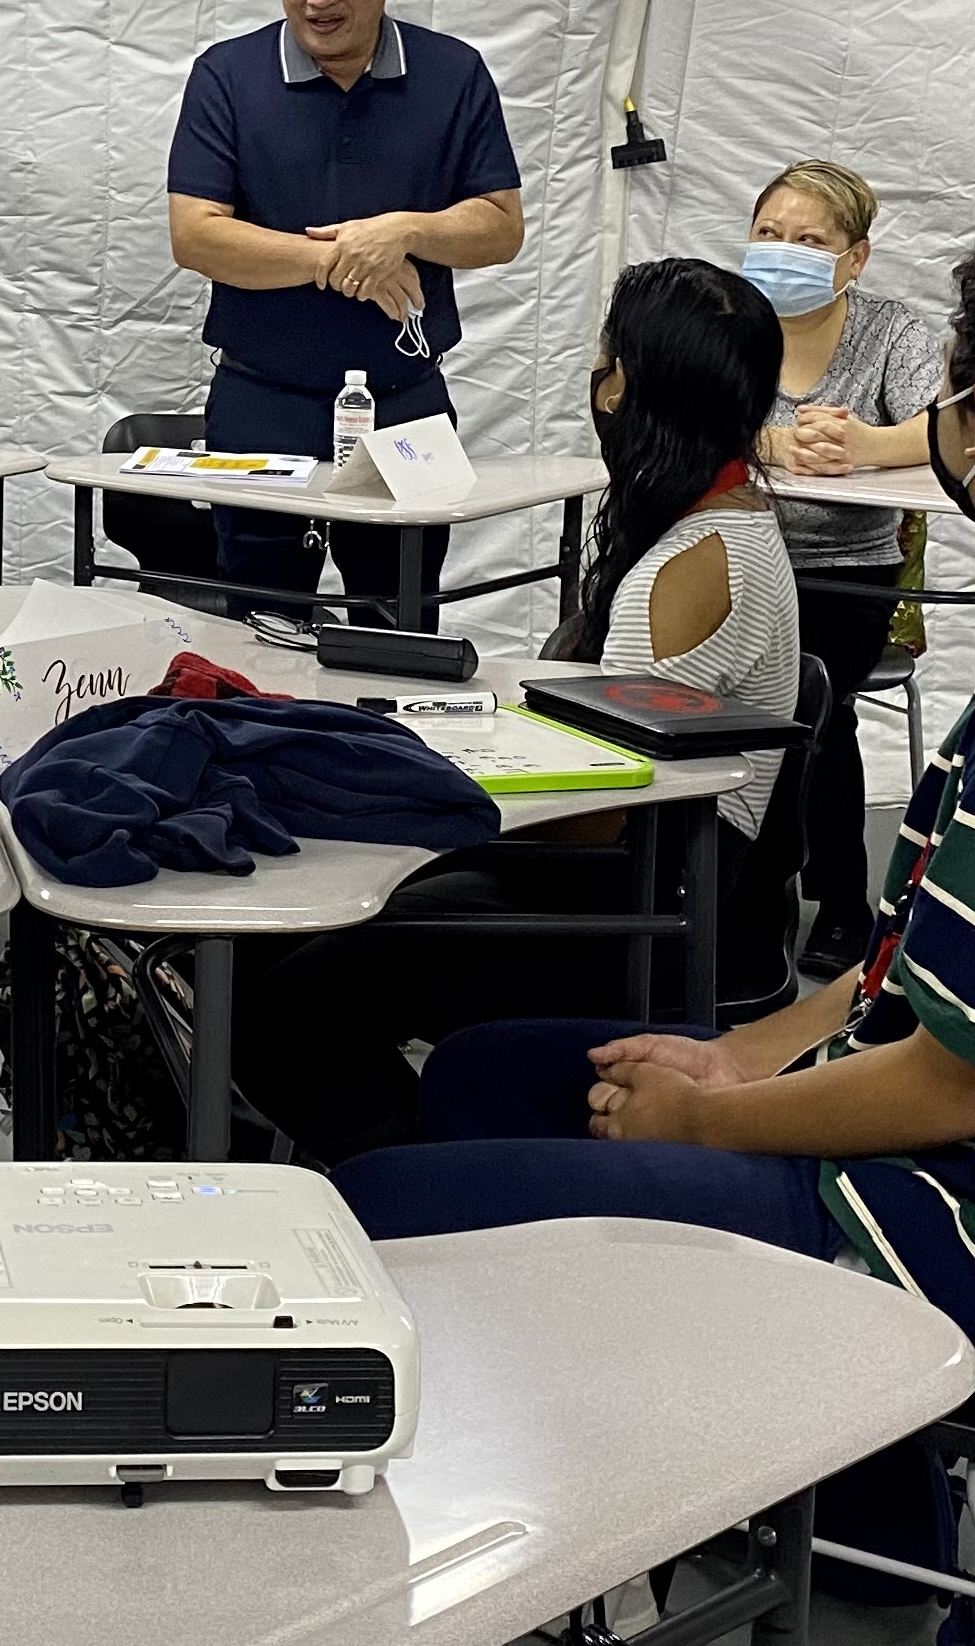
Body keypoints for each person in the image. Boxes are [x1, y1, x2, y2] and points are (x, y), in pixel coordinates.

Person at [222, 216, 975, 1646]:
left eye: (945, 383)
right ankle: (551, 1509)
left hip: (952, 1231)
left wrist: (710, 1119)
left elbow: (955, 1074)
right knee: (498, 1077)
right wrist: (743, 1051)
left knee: (377, 1209)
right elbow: (906, 983)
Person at [228, 260, 799, 1162]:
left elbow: (609, 812)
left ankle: (414, 1181)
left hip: (642, 894)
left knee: (281, 1006)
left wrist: (435, 800)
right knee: (294, 940)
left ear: (640, 393)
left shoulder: (692, 565)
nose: (596, 386)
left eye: (608, 365)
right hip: (656, 875)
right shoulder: (721, 526)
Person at [165, 0, 521, 620]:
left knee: (402, 626)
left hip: (407, 406)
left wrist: (407, 231)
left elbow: (500, 226)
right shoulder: (226, 77)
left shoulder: (454, 74)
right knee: (259, 631)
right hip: (261, 402)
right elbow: (196, 236)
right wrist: (341, 259)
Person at [742, 161, 951, 971]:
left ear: (854, 258)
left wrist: (867, 445)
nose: (783, 251)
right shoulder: (727, 320)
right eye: (769, 234)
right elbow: (686, 413)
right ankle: (736, 883)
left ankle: (839, 898)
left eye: (808, 240)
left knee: (813, 700)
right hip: (735, 554)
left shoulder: (891, 330)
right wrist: (774, 443)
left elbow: (947, 429)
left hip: (847, 571)